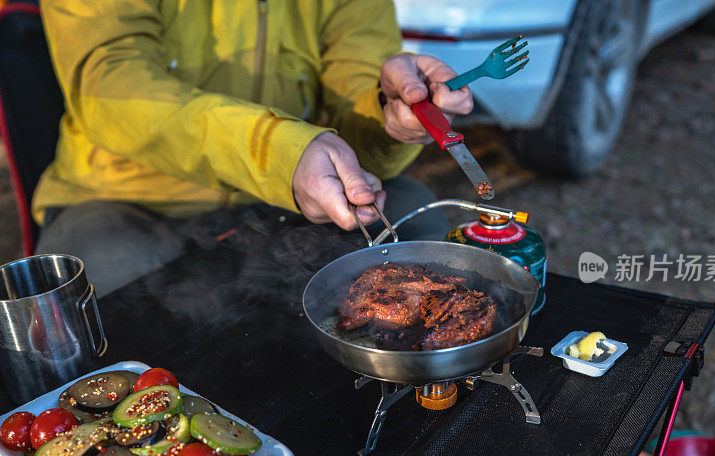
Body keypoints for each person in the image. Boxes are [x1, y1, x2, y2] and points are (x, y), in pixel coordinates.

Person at [33, 0, 473, 295]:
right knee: (119, 282)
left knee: (413, 218)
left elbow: (352, 95)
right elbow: (113, 92)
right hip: (127, 199)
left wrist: (388, 113)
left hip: (288, 192)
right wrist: (278, 153)